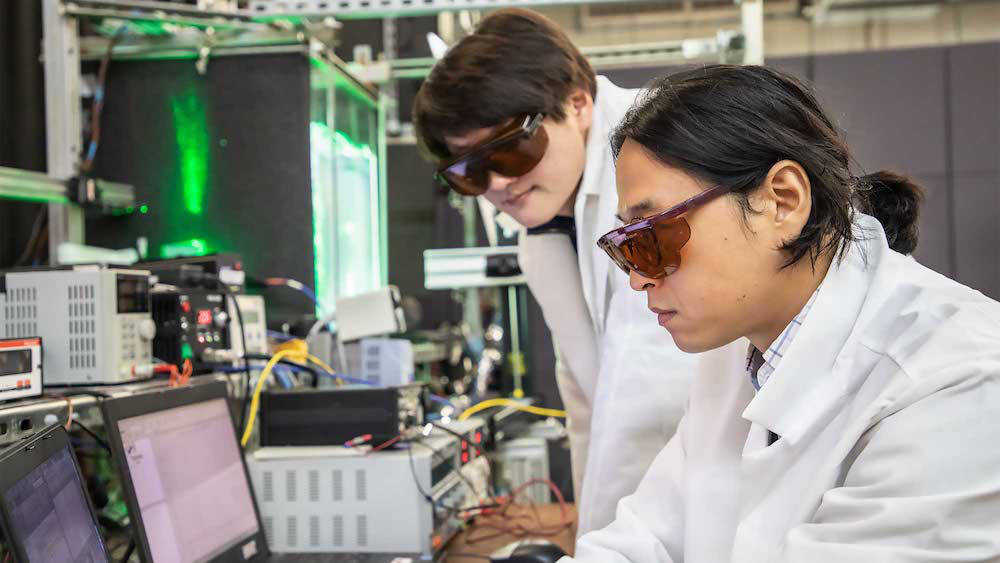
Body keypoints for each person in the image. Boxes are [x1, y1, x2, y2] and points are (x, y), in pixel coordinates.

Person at [558, 64, 1000, 562]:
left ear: (782, 201)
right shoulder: (737, 357)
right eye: (625, 246)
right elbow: (647, 538)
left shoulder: (957, 381)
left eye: (652, 238)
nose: (638, 277)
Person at [412, 9, 696, 535]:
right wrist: (589, 536)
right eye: (468, 170)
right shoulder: (544, 234)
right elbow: (589, 406)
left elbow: (650, 403)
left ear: (577, 103)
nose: (496, 183)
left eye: (513, 150)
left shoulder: (662, 160)